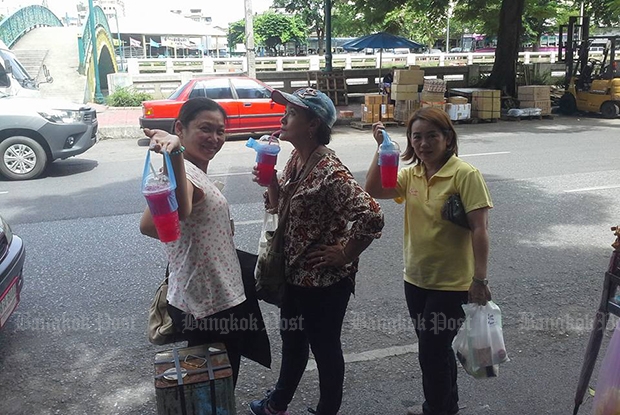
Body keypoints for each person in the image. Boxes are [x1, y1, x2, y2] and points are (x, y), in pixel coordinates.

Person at [249, 87, 385, 415]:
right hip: (294, 276)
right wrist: (269, 182)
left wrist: (346, 253)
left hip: (324, 284)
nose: (283, 117)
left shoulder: (330, 171)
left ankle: (326, 409)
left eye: (292, 113)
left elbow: (373, 215)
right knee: (293, 342)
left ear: (312, 124)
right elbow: (280, 205)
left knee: (324, 349)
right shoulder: (297, 158)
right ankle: (278, 403)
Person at [364, 107, 493, 415]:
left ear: (447, 139)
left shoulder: (465, 174)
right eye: (416, 137)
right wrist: (380, 147)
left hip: (451, 284)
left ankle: (435, 408)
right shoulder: (412, 175)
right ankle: (447, 406)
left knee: (430, 352)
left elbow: (480, 229)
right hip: (416, 280)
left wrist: (480, 280)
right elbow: (373, 189)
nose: (423, 143)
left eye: (431, 136)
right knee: (436, 349)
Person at [139, 97, 254, 386]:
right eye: (205, 129)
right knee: (214, 387)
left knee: (206, 383)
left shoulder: (193, 170)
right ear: (180, 128)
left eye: (220, 131)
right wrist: (175, 154)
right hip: (209, 303)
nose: (214, 138)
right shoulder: (182, 170)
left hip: (208, 295)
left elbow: (158, 223)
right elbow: (177, 211)